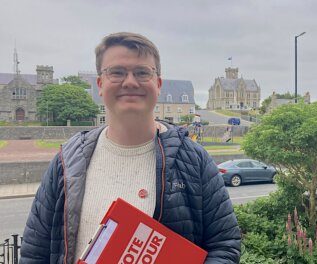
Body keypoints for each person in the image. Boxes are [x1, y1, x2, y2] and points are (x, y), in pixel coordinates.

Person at [20, 32, 241, 263]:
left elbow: (225, 245)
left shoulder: (194, 159)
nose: (130, 82)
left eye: (142, 72)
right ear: (100, 84)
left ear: (158, 84)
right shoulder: (67, 161)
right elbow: (34, 252)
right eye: (116, 72)